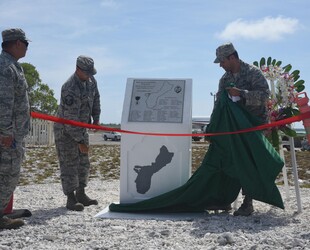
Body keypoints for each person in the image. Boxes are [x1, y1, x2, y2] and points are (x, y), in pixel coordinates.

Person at [213, 42, 270, 216]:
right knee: (227, 159)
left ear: (232, 57)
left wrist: (242, 93)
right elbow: (219, 103)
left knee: (248, 161)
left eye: (222, 61)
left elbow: (264, 97)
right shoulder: (225, 79)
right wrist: (213, 125)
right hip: (233, 127)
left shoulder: (253, 73)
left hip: (254, 125)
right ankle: (224, 198)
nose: (220, 65)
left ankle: (248, 203)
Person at [54, 55, 101, 211]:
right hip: (65, 131)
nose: (89, 76)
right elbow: (70, 119)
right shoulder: (69, 87)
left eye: (90, 72)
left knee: (83, 162)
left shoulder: (91, 81)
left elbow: (96, 99)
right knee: (69, 163)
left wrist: (96, 118)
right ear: (77, 69)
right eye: (86, 72)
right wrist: (80, 141)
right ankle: (71, 198)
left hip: (81, 128)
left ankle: (81, 193)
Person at [0, 28, 31, 229]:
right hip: (8, 135)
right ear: (17, 43)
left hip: (12, 133)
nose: (28, 46)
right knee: (7, 174)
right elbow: (4, 103)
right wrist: (5, 132)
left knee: (7, 173)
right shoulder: (6, 67)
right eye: (26, 43)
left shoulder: (12, 66)